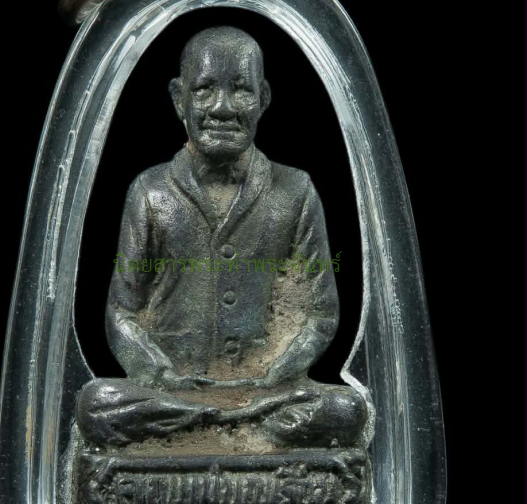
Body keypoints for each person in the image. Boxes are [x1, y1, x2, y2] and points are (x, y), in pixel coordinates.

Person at [77, 26, 366, 448]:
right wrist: (159, 373)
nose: (222, 108)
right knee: (96, 402)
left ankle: (224, 422)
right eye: (204, 90)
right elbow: (121, 313)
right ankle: (225, 423)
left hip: (267, 393)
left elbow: (321, 314)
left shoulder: (295, 190)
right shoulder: (151, 191)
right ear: (179, 98)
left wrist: (280, 373)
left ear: (264, 98)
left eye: (242, 90)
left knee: (346, 409)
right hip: (174, 393)